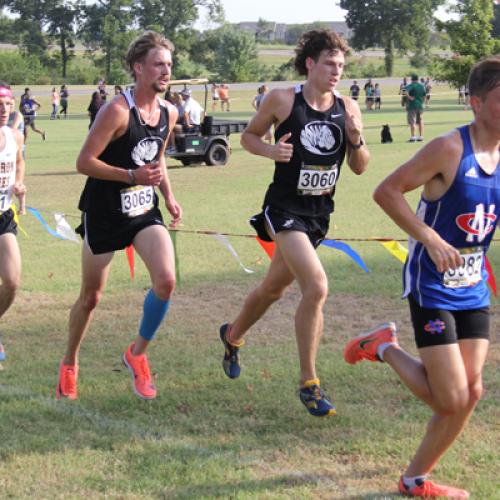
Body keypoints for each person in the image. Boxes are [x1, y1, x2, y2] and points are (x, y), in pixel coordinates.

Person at [344, 56, 500, 499]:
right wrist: (429, 237)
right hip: (432, 281)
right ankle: (385, 348)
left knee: (470, 393)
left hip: (472, 285)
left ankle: (415, 480)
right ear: (476, 102)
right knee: (451, 399)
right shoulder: (450, 148)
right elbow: (386, 191)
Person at [219, 29, 369, 417]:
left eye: (341, 65)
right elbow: (249, 137)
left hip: (319, 213)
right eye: (329, 64)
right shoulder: (283, 99)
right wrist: (271, 149)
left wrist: (356, 139)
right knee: (316, 287)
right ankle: (310, 384)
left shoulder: (349, 107)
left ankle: (233, 335)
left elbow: (359, 167)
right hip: (283, 208)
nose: (336, 71)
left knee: (272, 289)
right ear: (310, 63)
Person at [56, 30, 182, 401]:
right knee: (91, 298)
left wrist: (169, 196)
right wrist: (129, 175)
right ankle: (69, 363)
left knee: (167, 280)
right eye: (159, 64)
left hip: (144, 210)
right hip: (105, 212)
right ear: (138, 68)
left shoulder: (169, 111)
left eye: (169, 65)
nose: (165, 71)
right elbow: (84, 162)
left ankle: (136, 354)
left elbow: (155, 158)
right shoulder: (116, 110)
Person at [0, 82, 27, 364]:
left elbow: (19, 162)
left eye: (8, 105)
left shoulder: (15, 136)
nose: (4, 110)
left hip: (3, 216)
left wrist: (18, 183)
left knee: (12, 281)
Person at [7, 98, 26, 215]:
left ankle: (22, 207)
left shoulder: (17, 115)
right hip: (6, 151)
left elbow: (13, 129)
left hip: (17, 151)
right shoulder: (5, 117)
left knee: (18, 181)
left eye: (11, 104)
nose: (9, 107)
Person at [405, 74, 426, 142]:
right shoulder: (421, 86)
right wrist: (422, 103)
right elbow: (424, 96)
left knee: (412, 121)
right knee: (420, 121)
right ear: (418, 79)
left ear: (412, 79)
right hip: (420, 105)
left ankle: (413, 137)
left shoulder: (410, 85)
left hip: (412, 106)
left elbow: (406, 91)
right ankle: (421, 136)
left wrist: (409, 97)